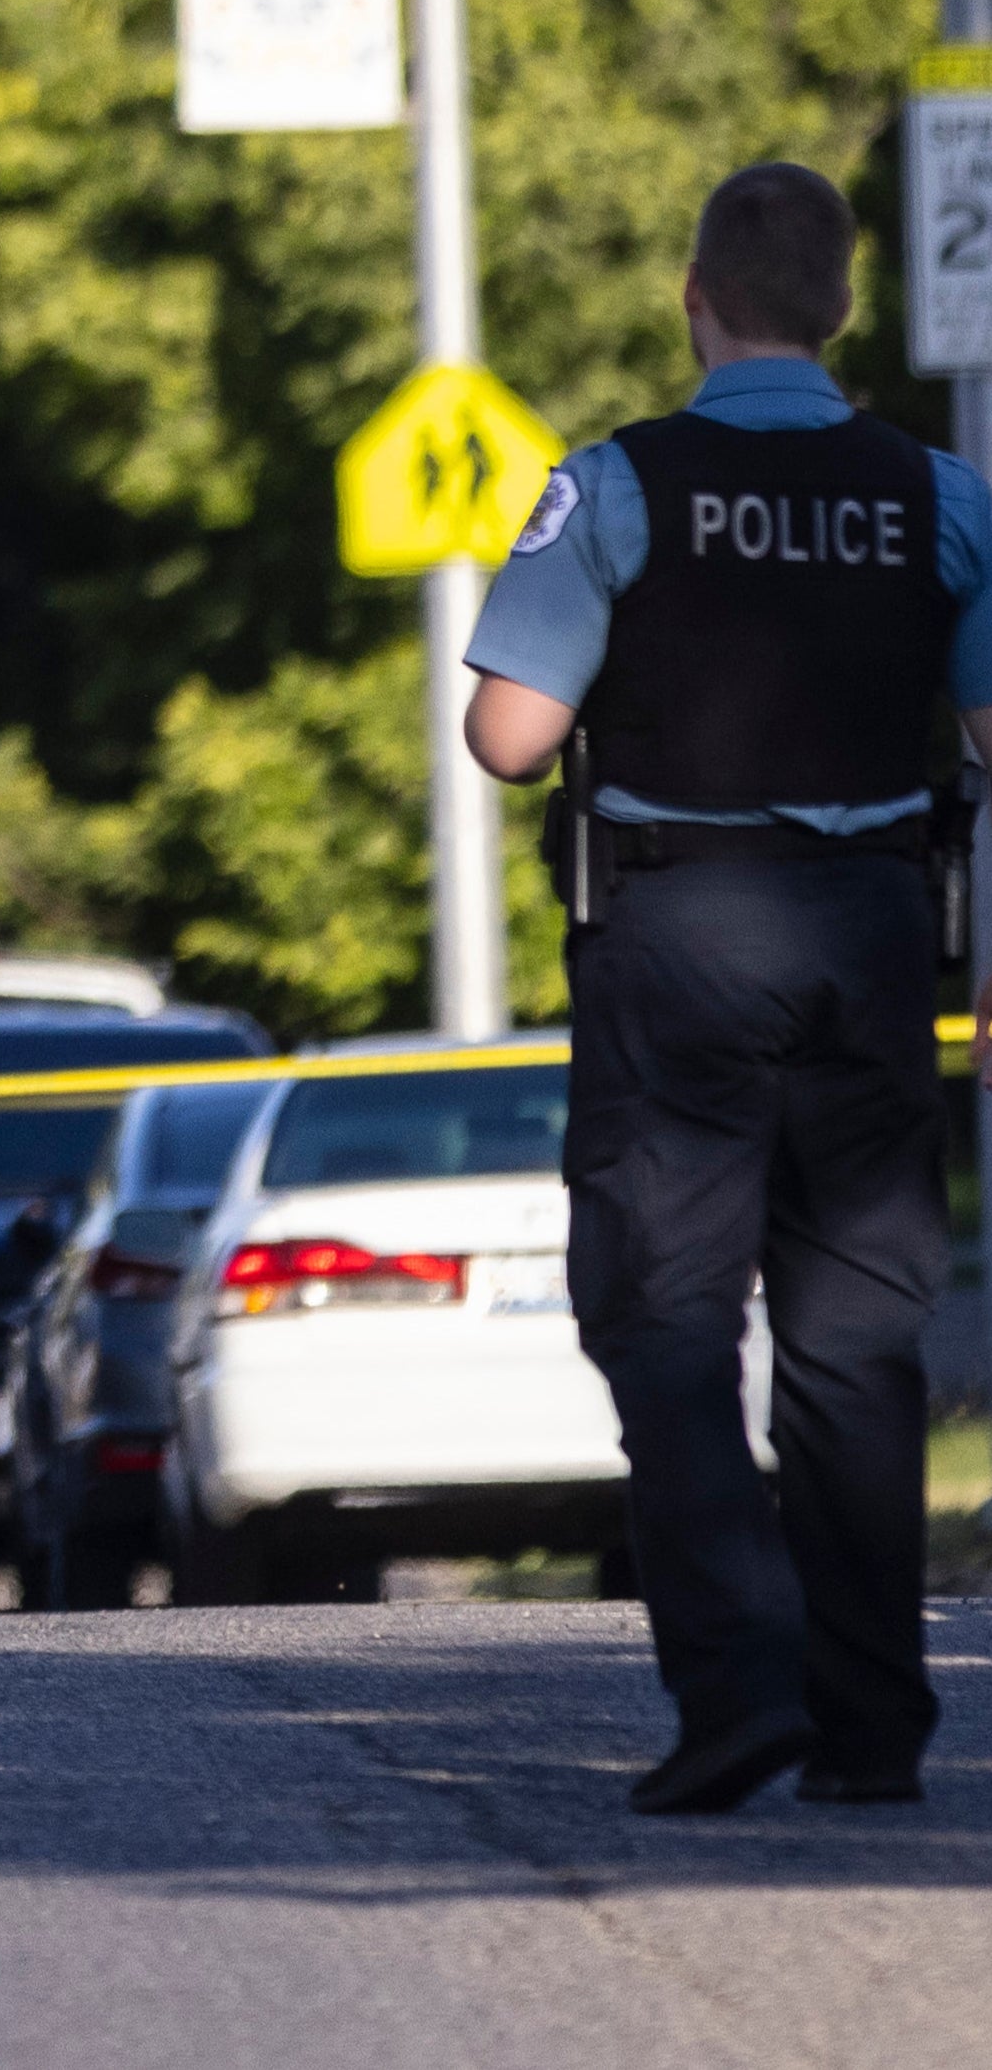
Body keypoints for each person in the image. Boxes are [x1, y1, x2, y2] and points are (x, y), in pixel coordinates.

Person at [460, 161, 984, 1815]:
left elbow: (507, 736)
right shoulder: (939, 495)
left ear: (696, 297)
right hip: (874, 933)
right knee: (856, 1339)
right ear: (841, 305)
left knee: (666, 1315)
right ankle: (869, 1723)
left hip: (677, 940)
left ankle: (737, 1676)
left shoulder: (615, 485)